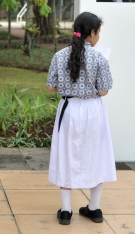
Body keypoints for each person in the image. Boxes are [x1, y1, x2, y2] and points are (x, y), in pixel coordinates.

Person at [47, 11, 115, 226]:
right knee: (96, 154)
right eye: (99, 32)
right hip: (92, 111)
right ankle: (94, 209)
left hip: (68, 110)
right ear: (92, 32)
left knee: (66, 155)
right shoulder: (99, 57)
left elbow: (51, 86)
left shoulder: (59, 55)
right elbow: (104, 91)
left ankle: (66, 211)